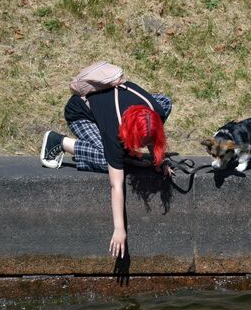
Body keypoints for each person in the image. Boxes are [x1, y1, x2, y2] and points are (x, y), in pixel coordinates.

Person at [40, 80, 173, 259]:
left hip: (111, 107)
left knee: (165, 102)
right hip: (82, 113)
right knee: (106, 159)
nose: (144, 146)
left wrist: (159, 160)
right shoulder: (114, 133)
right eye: (140, 143)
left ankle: (124, 153)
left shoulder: (155, 111)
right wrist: (119, 229)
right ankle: (59, 142)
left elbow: (153, 137)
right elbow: (116, 185)